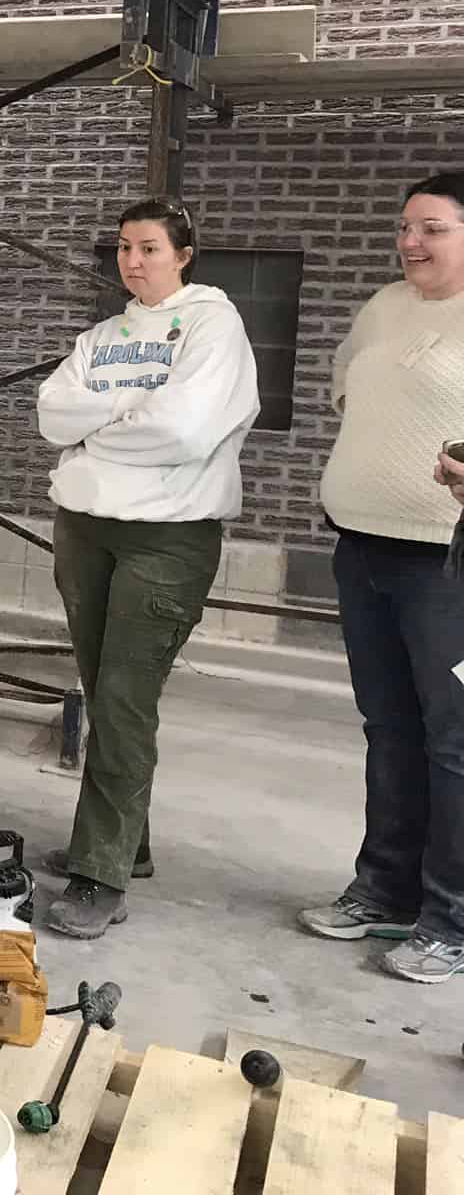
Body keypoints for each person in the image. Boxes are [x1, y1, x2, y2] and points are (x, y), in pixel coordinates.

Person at [35, 197, 259, 940]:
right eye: (125, 247)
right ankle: (125, 844)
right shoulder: (101, 335)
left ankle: (100, 874)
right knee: (103, 692)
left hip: (167, 536)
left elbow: (186, 429)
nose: (134, 261)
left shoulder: (212, 324)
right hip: (87, 526)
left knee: (127, 698)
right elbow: (50, 415)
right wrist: (127, 406)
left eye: (151, 247)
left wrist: (102, 417)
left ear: (184, 253)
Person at [301, 172, 464, 985]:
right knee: (388, 728)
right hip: (363, 548)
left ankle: (452, 919)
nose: (410, 243)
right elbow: (346, 380)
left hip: (447, 559)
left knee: (454, 741)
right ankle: (386, 891)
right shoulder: (382, 307)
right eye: (405, 227)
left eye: (431, 228)